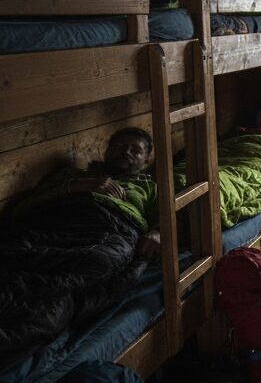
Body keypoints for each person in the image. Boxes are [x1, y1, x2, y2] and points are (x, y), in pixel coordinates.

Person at [0, 128, 162, 358]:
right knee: (11, 248)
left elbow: (168, 218)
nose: (125, 152)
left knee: (101, 259)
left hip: (111, 227)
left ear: (146, 161)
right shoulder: (71, 175)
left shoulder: (151, 189)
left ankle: (35, 303)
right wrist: (79, 186)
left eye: (135, 150)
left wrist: (157, 232)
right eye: (119, 147)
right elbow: (22, 209)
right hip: (58, 219)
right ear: (106, 152)